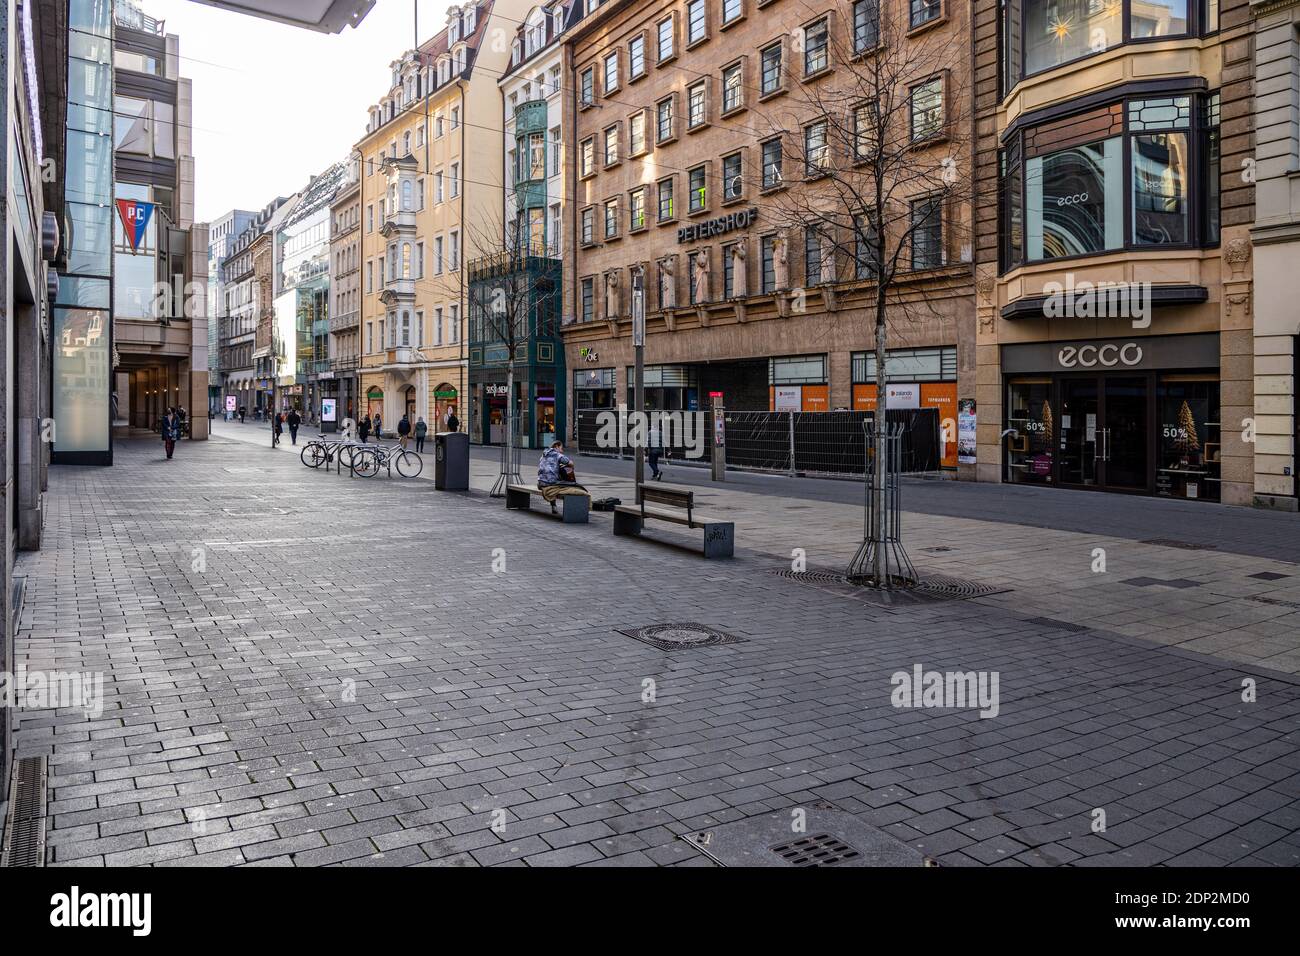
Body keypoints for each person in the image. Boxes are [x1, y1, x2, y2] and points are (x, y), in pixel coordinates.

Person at [536, 441, 586, 515]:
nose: (562, 451)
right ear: (557, 446)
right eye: (561, 448)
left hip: (540, 483)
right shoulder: (557, 455)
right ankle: (575, 510)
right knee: (574, 485)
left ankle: (554, 506)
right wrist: (571, 468)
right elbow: (571, 463)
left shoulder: (543, 454)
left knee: (554, 479)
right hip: (550, 483)